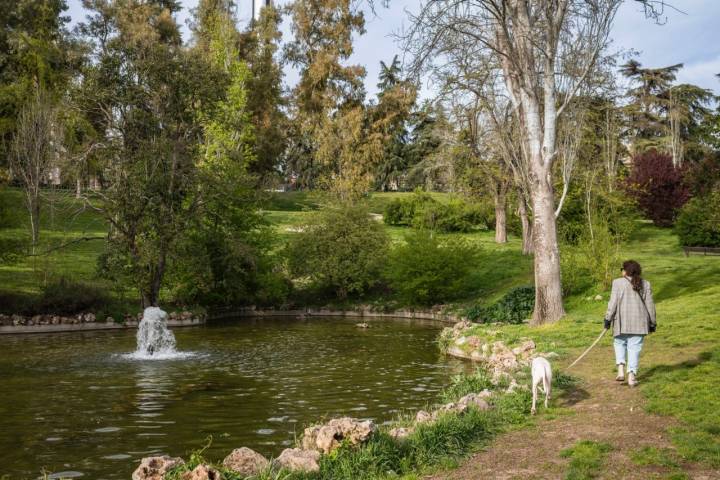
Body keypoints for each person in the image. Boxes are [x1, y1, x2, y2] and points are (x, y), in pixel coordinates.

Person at [604, 260, 657, 387]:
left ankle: (621, 370)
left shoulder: (617, 283)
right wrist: (653, 322)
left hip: (621, 322)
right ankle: (631, 377)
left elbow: (613, 303)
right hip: (639, 322)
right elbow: (650, 305)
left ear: (625, 270)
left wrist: (607, 319)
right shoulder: (646, 284)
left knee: (619, 343)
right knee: (634, 348)